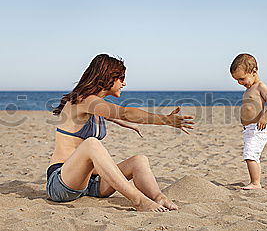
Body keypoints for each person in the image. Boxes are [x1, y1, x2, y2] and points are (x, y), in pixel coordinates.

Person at [47, 53, 195, 212]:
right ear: (108, 77)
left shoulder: (95, 106)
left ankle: (159, 197)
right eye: (121, 78)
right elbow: (123, 113)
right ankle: (138, 200)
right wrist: (165, 120)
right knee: (91, 144)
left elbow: (113, 116)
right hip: (62, 183)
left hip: (91, 184)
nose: (124, 83)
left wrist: (130, 126)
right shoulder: (83, 100)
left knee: (139, 160)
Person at [229, 53, 267, 190]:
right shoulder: (249, 89)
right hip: (248, 129)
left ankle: (256, 183)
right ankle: (254, 181)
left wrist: (265, 117)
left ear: (254, 71)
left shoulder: (261, 87)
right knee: (249, 154)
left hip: (258, 128)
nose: (240, 83)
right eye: (237, 80)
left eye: (242, 79)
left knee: (250, 155)